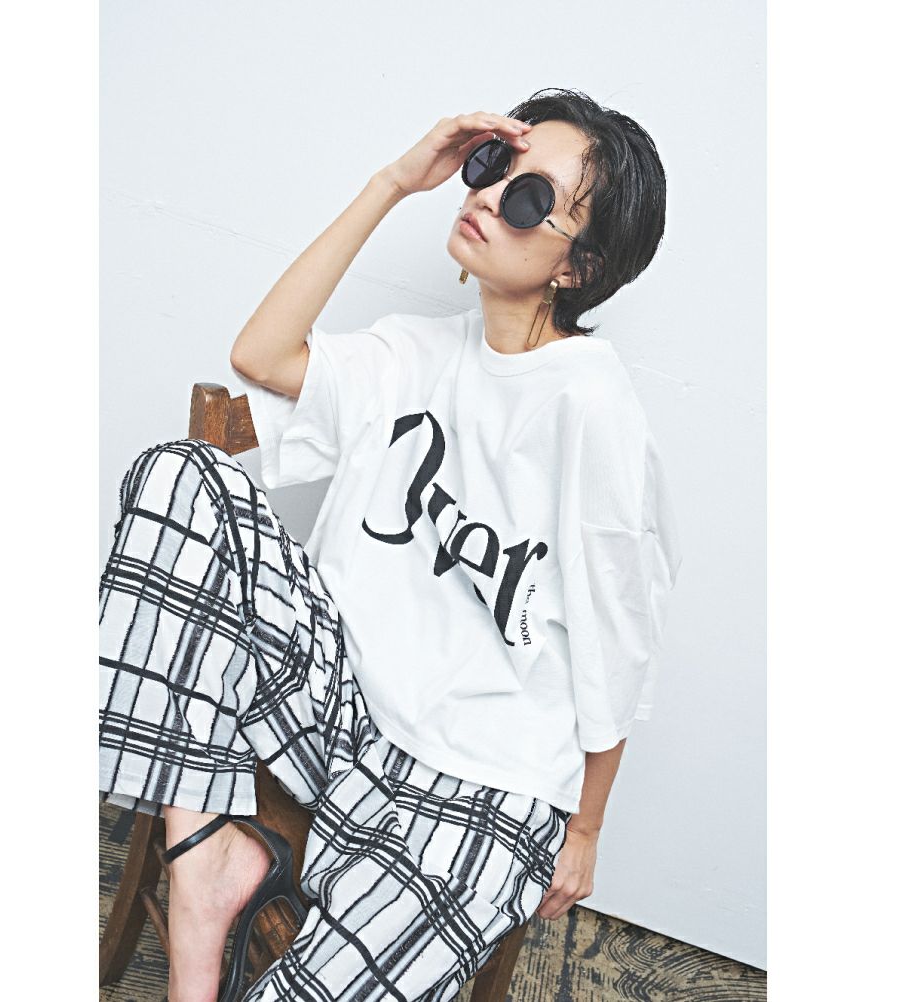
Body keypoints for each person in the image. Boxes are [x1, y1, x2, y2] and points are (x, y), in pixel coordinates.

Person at [99, 86, 683, 1002]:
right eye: (494, 168)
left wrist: (587, 828)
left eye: (531, 198)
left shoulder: (590, 404)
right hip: (337, 713)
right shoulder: (411, 352)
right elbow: (260, 358)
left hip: (481, 786)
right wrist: (394, 182)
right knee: (180, 475)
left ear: (578, 266)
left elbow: (619, 636)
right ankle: (204, 860)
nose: (488, 196)